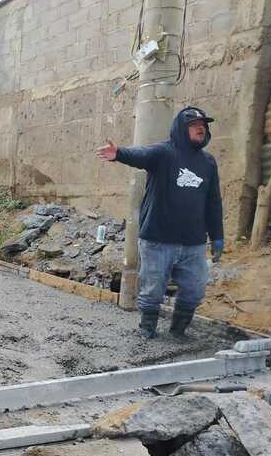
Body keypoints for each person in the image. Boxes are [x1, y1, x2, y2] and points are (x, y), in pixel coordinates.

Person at [96, 106, 224, 341]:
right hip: (158, 239)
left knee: (195, 289)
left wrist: (217, 236)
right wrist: (119, 154)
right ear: (180, 129)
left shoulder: (208, 163)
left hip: (193, 243)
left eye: (204, 126)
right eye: (195, 126)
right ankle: (147, 329)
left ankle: (178, 331)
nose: (201, 129)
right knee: (152, 289)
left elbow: (213, 201)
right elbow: (141, 155)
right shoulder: (164, 153)